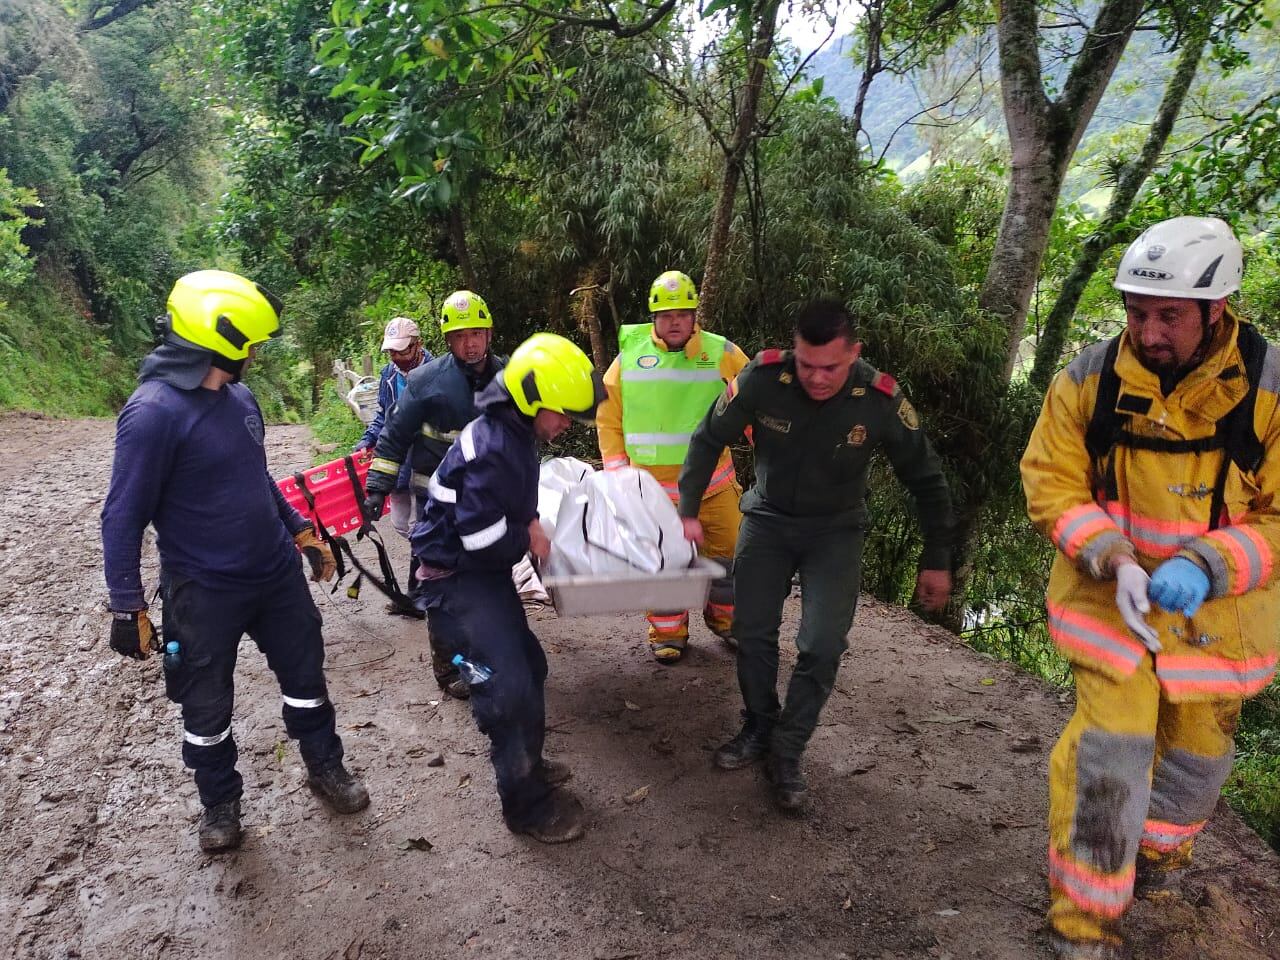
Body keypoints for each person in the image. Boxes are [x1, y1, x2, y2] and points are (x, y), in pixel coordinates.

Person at [1020, 216, 1280, 960]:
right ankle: (1082, 924)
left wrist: (1207, 564)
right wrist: (1112, 556)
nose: (1150, 331)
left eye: (1169, 316)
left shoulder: (1268, 391)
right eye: (1138, 312)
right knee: (1111, 750)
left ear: (1216, 309)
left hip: (1217, 619)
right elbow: (1050, 481)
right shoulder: (1091, 380)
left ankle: (1159, 858)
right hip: (1112, 605)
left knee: (1200, 755)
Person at [101, 270, 370, 854]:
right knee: (205, 705)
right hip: (202, 589)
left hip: (274, 576)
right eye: (247, 341)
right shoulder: (152, 414)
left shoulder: (239, 397)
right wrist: (127, 605)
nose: (254, 351)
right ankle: (219, 803)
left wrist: (299, 530)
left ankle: (325, 766)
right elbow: (121, 516)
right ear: (217, 337)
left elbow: (254, 477)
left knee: (306, 680)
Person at [678, 299, 954, 811]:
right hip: (766, 520)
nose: (817, 378)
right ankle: (759, 725)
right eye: (806, 364)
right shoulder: (762, 378)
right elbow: (706, 437)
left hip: (835, 530)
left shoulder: (880, 399)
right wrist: (688, 509)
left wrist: (936, 557)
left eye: (830, 367)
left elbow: (927, 481)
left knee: (823, 644)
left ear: (854, 353)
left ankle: (788, 749)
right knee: (752, 631)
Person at [411, 332, 604, 843]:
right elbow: (480, 537)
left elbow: (513, 502)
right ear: (534, 400)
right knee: (507, 688)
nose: (566, 425)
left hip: (481, 569)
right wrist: (531, 536)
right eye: (562, 413)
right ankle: (525, 806)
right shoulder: (496, 443)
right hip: (456, 575)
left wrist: (531, 523)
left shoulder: (515, 430)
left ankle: (530, 764)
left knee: (530, 666)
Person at [596, 270, 749, 662]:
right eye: (666, 315)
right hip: (654, 493)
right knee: (662, 565)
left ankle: (726, 620)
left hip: (715, 489)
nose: (675, 321)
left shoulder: (722, 353)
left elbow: (753, 401)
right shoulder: (629, 358)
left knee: (728, 556)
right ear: (653, 318)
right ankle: (667, 632)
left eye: (683, 313)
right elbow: (609, 416)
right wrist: (617, 473)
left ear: (695, 314)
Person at [362, 291, 504, 697]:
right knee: (442, 590)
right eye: (460, 336)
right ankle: (450, 670)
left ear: (489, 332)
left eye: (477, 333)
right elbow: (393, 437)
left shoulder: (510, 377)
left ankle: (491, 656)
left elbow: (523, 441)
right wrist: (377, 489)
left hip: (491, 507)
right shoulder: (425, 382)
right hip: (438, 508)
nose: (470, 342)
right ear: (447, 340)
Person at [353, 316, 431, 544]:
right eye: (392, 352)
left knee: (422, 524)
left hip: (427, 463)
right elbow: (384, 414)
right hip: (397, 463)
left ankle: (429, 559)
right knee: (399, 523)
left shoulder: (437, 373)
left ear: (418, 344)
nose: (397, 357)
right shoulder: (389, 374)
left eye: (402, 351)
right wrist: (368, 439)